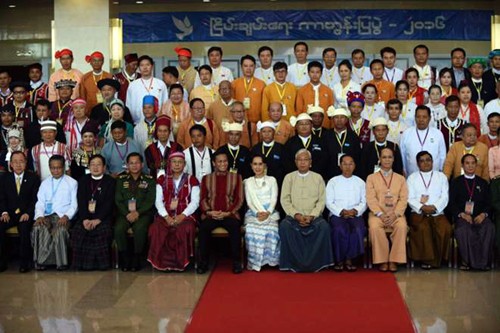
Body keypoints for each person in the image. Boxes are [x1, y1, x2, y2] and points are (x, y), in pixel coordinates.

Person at [279, 149, 333, 272]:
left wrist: (312, 216)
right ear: (295, 162)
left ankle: (318, 264)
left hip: (313, 217)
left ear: (310, 162)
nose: (303, 163)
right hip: (294, 216)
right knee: (284, 226)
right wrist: (296, 215)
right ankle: (292, 264)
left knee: (324, 227)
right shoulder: (289, 178)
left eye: (306, 160)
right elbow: (285, 200)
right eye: (300, 160)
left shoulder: (318, 178)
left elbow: (321, 201)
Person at [148, 151, 200, 271]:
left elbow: (195, 202)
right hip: (165, 215)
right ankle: (160, 262)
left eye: (180, 162)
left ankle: (181, 262)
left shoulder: (192, 180)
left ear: (184, 164)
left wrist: (182, 215)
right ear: (169, 164)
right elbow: (158, 202)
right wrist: (166, 217)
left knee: (185, 229)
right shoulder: (162, 179)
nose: (177, 165)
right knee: (156, 229)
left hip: (185, 215)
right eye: (174, 162)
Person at [198, 151, 244, 274]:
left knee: (235, 227)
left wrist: (228, 212)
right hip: (211, 214)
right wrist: (209, 212)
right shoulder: (206, 178)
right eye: (220, 161)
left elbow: (239, 199)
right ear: (214, 163)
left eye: (225, 161)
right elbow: (202, 198)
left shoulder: (236, 177)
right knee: (203, 228)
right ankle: (203, 263)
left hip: (229, 214)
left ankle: (236, 262)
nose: (223, 164)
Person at [449, 154, 495, 271]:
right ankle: (467, 262)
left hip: (480, 216)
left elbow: (489, 203)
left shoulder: (483, 183)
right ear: (462, 165)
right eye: (467, 163)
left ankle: (483, 263)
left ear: (476, 165)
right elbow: (451, 203)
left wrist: (483, 214)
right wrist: (462, 214)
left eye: (473, 163)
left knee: (488, 228)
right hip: (463, 217)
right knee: (463, 230)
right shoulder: (456, 182)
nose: (470, 166)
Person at [31, 155, 78, 270]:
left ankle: (60, 263)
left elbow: (74, 205)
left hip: (63, 216)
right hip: (47, 215)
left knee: (60, 230)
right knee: (39, 227)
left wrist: (67, 216)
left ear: (64, 167)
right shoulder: (44, 183)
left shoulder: (72, 183)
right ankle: (42, 262)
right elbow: (40, 202)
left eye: (58, 168)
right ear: (49, 168)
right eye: (53, 168)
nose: (55, 170)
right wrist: (40, 216)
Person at [366, 147, 408, 272]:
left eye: (390, 157)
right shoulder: (371, 178)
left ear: (394, 159)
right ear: (379, 159)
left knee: (402, 226)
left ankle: (394, 260)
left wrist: (395, 214)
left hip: (396, 214)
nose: (387, 160)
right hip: (377, 214)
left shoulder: (400, 178)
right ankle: (383, 260)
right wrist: (380, 214)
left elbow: (403, 199)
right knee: (374, 227)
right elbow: (370, 198)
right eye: (384, 157)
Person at [407, 151, 451, 269]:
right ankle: (427, 260)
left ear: (432, 161)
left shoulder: (441, 177)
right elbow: (409, 198)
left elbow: (445, 196)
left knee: (444, 228)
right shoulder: (412, 178)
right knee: (423, 229)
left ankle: (439, 259)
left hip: (437, 212)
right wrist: (422, 207)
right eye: (422, 161)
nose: (425, 163)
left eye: (428, 160)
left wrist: (434, 207)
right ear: (417, 163)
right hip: (418, 212)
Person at [71, 154, 116, 270]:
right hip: (85, 217)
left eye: (98, 165)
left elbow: (109, 203)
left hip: (103, 218)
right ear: (89, 167)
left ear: (104, 167)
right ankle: (81, 264)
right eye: (93, 165)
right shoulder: (83, 180)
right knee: (78, 232)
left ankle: (101, 264)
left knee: (102, 233)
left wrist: (98, 219)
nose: (95, 167)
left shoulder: (110, 181)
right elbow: (80, 201)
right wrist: (85, 219)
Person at [114, 152, 156, 271]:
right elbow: (118, 200)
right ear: (127, 165)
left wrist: (138, 213)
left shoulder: (149, 180)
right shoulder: (121, 179)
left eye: (137, 162)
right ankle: (124, 257)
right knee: (118, 228)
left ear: (142, 164)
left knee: (140, 228)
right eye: (131, 163)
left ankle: (137, 258)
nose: (134, 165)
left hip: (143, 213)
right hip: (125, 213)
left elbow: (150, 200)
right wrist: (127, 213)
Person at [326, 154, 367, 272]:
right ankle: (339, 259)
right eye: (345, 164)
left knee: (358, 229)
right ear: (340, 166)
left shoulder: (360, 182)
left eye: (350, 164)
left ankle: (350, 258)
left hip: (355, 214)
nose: (348, 167)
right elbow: (328, 202)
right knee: (339, 229)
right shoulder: (333, 181)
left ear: (354, 166)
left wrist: (355, 211)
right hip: (337, 214)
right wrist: (341, 211)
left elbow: (365, 201)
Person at [0, 151, 40, 273]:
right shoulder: (4, 178)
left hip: (25, 214)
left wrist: (28, 213)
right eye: (15, 162)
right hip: (9, 214)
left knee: (24, 229)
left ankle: (24, 263)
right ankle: (2, 262)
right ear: (11, 164)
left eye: (21, 161)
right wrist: (4, 212)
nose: (18, 165)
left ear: (26, 163)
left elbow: (35, 199)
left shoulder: (33, 178)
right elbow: (1, 198)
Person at [244, 153, 280, 271]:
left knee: (273, 230)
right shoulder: (248, 182)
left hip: (270, 212)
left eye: (260, 164)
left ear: (265, 165)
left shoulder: (271, 180)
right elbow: (249, 201)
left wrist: (268, 212)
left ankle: (270, 261)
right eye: (255, 164)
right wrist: (257, 213)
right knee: (250, 230)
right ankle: (255, 262)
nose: (258, 167)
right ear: (251, 166)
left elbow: (274, 198)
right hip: (254, 213)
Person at [400, 105, 446, 176]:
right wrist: (404, 170)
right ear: (415, 118)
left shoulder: (437, 134)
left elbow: (442, 155)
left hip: (434, 175)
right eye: (418, 117)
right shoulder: (407, 134)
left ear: (429, 118)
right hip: (412, 175)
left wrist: (440, 171)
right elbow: (402, 155)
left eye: (424, 117)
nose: (421, 119)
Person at [284, 113, 329, 181]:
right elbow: (287, 162)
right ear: (296, 126)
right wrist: (299, 173)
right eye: (301, 124)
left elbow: (324, 160)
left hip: (316, 178)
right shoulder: (290, 143)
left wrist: (311, 173)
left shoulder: (320, 142)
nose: (304, 126)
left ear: (311, 125)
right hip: (295, 178)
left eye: (307, 124)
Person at [126, 55, 168, 124]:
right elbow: (128, 105)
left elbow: (165, 104)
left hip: (158, 123)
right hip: (137, 123)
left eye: (147, 65)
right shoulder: (133, 85)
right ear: (138, 68)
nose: (145, 68)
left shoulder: (160, 84)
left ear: (152, 66)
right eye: (142, 65)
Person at [296, 61, 334, 128]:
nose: (315, 75)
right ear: (308, 73)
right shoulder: (301, 91)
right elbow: (299, 111)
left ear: (321, 73)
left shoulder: (328, 91)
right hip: (307, 126)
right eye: (312, 72)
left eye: (317, 72)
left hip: (325, 125)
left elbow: (331, 111)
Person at [327, 107, 362, 178]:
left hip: (350, 174)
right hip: (330, 174)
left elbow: (357, 157)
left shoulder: (353, 136)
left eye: (342, 117)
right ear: (332, 119)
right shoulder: (326, 135)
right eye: (336, 117)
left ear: (346, 120)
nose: (339, 120)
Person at [231, 55, 266, 124]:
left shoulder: (262, 84)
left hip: (257, 122)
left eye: (251, 66)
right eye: (245, 66)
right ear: (241, 67)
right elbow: (231, 105)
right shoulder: (234, 83)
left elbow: (264, 106)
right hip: (238, 122)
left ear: (255, 67)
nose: (248, 69)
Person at [251, 121, 286, 186]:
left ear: (274, 133)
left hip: (277, 183)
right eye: (264, 131)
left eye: (269, 131)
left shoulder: (281, 148)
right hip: (257, 183)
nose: (266, 134)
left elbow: (285, 169)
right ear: (261, 133)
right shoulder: (255, 149)